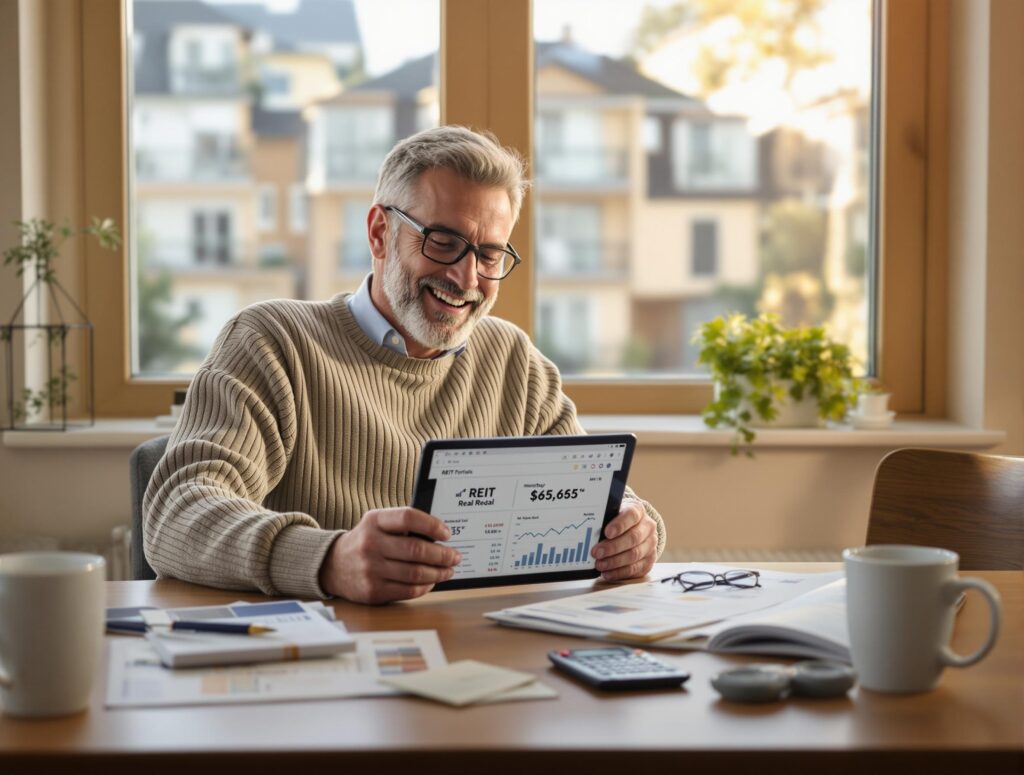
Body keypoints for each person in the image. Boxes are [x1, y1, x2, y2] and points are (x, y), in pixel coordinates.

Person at [144, 125, 666, 604]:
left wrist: (636, 532)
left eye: (488, 255)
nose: (466, 278)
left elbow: (602, 497)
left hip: (476, 649)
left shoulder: (513, 361)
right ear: (379, 233)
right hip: (332, 654)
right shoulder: (273, 341)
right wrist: (328, 560)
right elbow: (175, 512)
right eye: (443, 242)